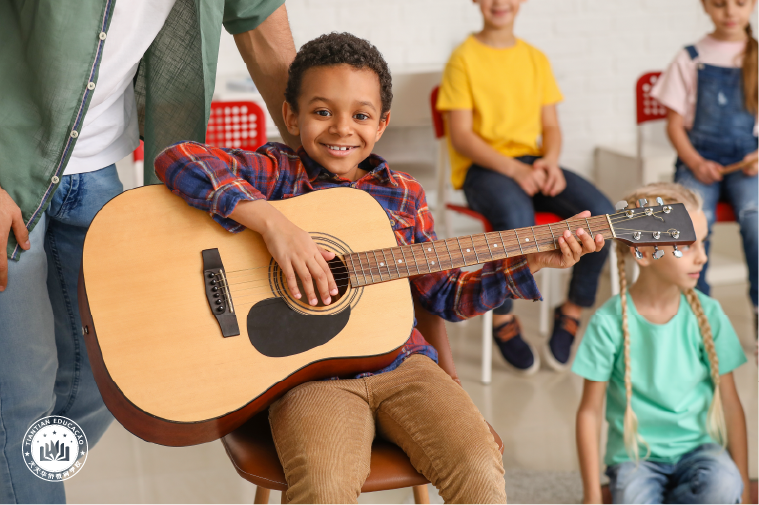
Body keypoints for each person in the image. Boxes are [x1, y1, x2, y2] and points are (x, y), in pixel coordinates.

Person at [155, 32, 606, 504]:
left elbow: (446, 295)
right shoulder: (279, 173)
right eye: (322, 111)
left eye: (361, 115)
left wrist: (532, 259)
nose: (341, 129)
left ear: (381, 123)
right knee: (324, 486)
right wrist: (271, 222)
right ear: (292, 115)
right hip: (308, 377)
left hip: (403, 365)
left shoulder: (403, 194)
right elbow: (178, 157)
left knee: (479, 467)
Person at [0, 1, 296, 503]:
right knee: (19, 400)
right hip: (6, 169)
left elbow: (268, 43)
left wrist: (340, 190)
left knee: (110, 381)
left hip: (96, 173)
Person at [437, 0, 614, 375]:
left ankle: (571, 309)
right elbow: (463, 137)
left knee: (602, 214)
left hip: (532, 163)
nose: (499, 3)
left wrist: (548, 161)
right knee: (517, 220)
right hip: (483, 169)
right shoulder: (462, 59)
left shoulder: (535, 58)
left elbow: (551, 127)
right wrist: (516, 171)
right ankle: (502, 317)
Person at [574, 183, 749, 505]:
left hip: (701, 450)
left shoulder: (709, 313)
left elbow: (732, 405)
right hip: (634, 458)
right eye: (689, 245)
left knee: (725, 485)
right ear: (642, 252)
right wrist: (590, 497)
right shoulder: (608, 321)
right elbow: (589, 412)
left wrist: (746, 490)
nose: (703, 256)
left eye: (704, 243)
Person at [651, 0, 759, 343]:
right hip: (698, 161)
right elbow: (674, 126)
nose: (730, 11)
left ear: (753, 4)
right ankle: (698, 313)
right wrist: (696, 162)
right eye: (719, 4)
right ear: (705, 7)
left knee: (754, 218)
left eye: (740, 3)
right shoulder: (690, 57)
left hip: (748, 165)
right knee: (693, 222)